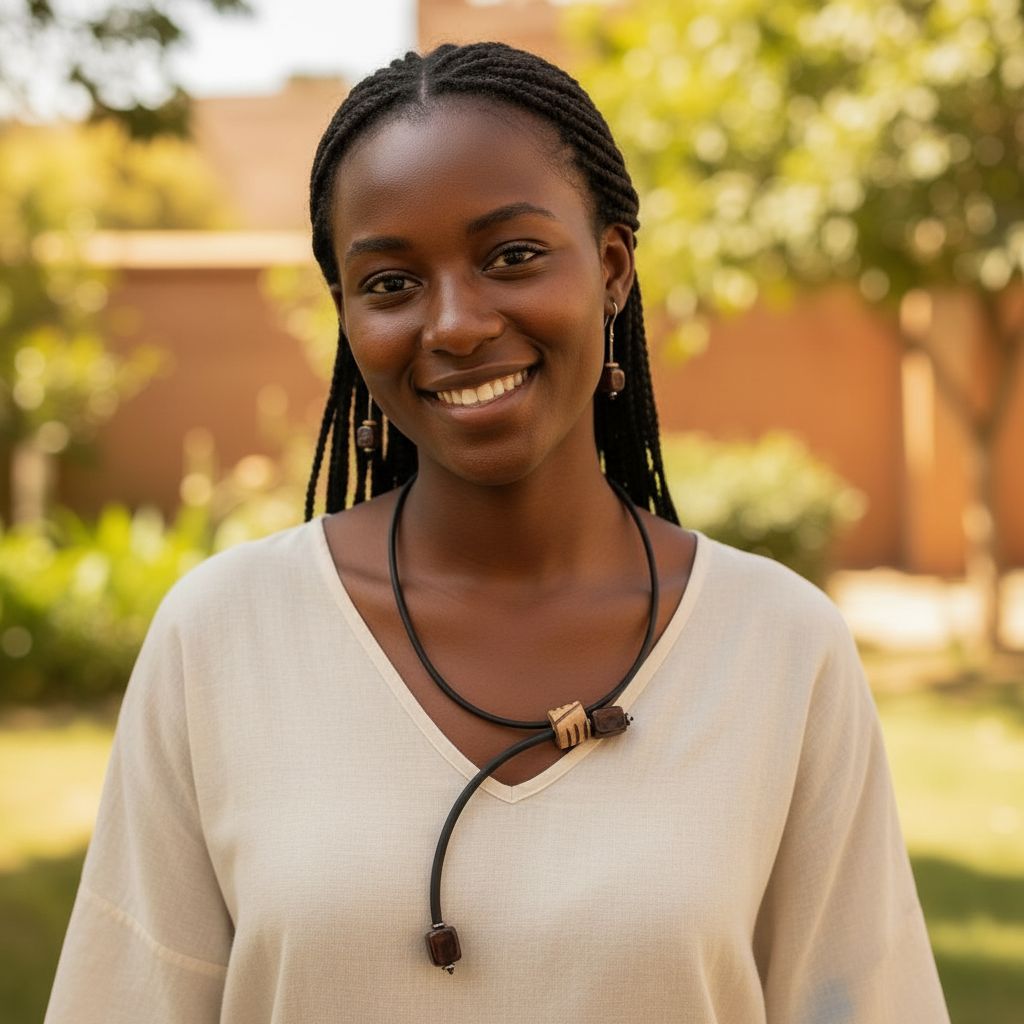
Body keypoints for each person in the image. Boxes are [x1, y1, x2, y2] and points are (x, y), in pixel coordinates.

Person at [45, 41, 950, 1023]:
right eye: (390, 282)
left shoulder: (778, 647)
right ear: (346, 314)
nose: (456, 324)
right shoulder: (221, 637)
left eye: (512, 257)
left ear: (611, 268)